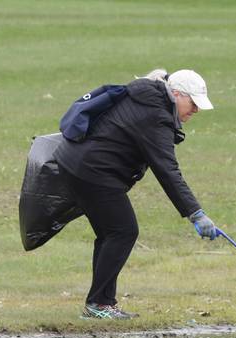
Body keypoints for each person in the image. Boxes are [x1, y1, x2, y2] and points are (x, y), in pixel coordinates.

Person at [54, 68, 217, 320]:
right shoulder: (156, 116)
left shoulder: (150, 97)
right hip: (93, 171)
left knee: (112, 233)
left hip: (81, 165)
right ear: (176, 94)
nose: (195, 110)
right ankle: (98, 303)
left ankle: (102, 303)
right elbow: (167, 170)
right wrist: (195, 213)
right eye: (193, 103)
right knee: (123, 231)